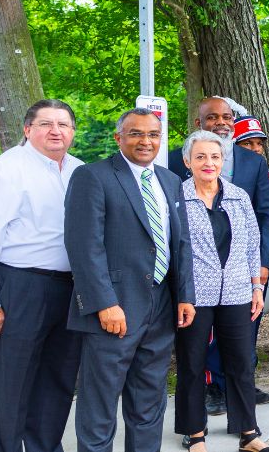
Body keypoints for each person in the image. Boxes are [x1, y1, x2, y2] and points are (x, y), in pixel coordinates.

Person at [65, 108, 196, 452]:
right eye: (136, 133)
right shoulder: (92, 177)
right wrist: (104, 303)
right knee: (100, 405)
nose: (146, 141)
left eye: (153, 134)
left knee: (149, 401)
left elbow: (179, 242)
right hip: (114, 309)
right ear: (118, 138)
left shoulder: (169, 180)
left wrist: (185, 295)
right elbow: (84, 247)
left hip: (161, 306)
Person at [0, 100, 83, 452]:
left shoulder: (80, 171)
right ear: (27, 130)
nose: (55, 131)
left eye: (63, 124)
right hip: (18, 286)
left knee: (57, 378)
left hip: (69, 290)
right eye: (45, 124)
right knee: (10, 382)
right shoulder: (4, 172)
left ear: (72, 131)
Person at [168, 96, 269, 412]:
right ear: (198, 123)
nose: (221, 122)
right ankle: (207, 389)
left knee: (239, 334)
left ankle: (233, 388)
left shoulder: (252, 161)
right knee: (197, 338)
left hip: (240, 267)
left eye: (226, 116)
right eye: (212, 117)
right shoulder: (175, 161)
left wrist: (260, 262)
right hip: (197, 268)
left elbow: (265, 214)